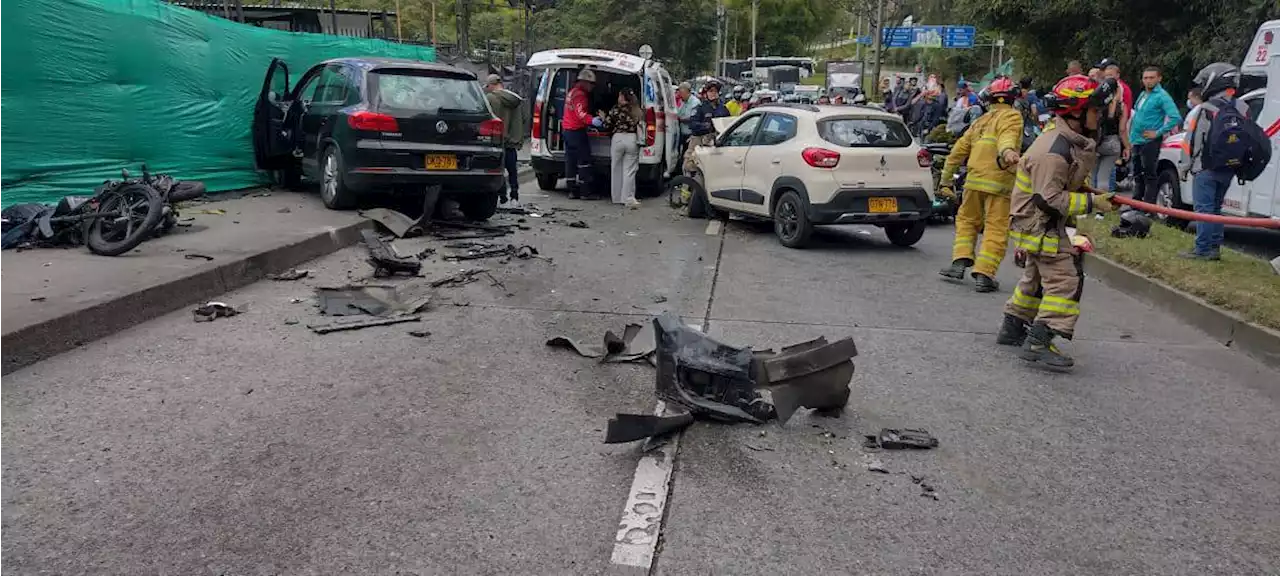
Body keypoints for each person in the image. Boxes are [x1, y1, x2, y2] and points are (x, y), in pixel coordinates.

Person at [998, 74, 1120, 371]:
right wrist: (1094, 203)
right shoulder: (1054, 150)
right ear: (1075, 112)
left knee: (1036, 278)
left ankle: (1014, 326)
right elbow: (1048, 198)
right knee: (1065, 280)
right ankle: (1039, 341)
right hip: (1039, 221)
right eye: (1095, 109)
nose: (1100, 115)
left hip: (1035, 221)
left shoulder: (1068, 141)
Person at [937, 77, 1025, 293]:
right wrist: (1008, 154)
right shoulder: (1013, 117)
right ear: (1013, 99)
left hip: (973, 181)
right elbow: (1007, 139)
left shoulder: (980, 121)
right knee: (996, 228)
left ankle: (960, 261)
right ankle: (985, 274)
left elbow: (957, 152)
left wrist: (946, 180)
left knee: (967, 221)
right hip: (1000, 183)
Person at [1180, 62, 1248, 260]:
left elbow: (1192, 141)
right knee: (1217, 209)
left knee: (1203, 210)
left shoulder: (1206, 109)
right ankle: (1215, 248)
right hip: (1230, 167)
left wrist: (1185, 166)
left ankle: (1202, 250)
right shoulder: (1242, 107)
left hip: (1205, 167)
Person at [1129, 65, 1182, 205]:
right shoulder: (1143, 94)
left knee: (1149, 174)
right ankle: (1136, 203)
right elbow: (1136, 115)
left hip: (1150, 141)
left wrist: (1158, 132)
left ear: (1159, 78)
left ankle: (1148, 207)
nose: (1148, 81)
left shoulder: (1162, 96)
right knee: (1137, 174)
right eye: (1145, 78)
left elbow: (1175, 117)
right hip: (1137, 140)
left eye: (1152, 78)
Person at [484, 74, 529, 208]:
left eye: (488, 86)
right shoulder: (517, 99)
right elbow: (525, 118)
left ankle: (502, 199)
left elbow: (486, 118)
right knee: (512, 170)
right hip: (512, 142)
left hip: (498, 141)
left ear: (492, 85)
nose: (487, 89)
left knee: (498, 170)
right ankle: (514, 198)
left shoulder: (490, 98)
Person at [562, 68, 602, 200]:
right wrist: (592, 120)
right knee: (584, 161)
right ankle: (585, 192)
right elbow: (581, 114)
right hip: (576, 132)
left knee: (570, 161)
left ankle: (572, 190)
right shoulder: (580, 95)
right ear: (585, 82)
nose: (592, 87)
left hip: (567, 130)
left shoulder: (571, 92)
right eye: (591, 84)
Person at [601, 87, 644, 209]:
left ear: (623, 97)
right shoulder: (637, 110)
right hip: (632, 139)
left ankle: (616, 197)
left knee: (616, 168)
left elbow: (606, 125)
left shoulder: (616, 109)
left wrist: (604, 117)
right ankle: (628, 198)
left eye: (619, 95)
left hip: (618, 139)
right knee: (629, 170)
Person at [1092, 77, 1131, 192]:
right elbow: (1122, 130)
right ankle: (1103, 205)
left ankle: (1092, 203)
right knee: (1104, 177)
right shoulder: (1122, 107)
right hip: (1112, 143)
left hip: (1096, 142)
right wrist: (1127, 147)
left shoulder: (1097, 106)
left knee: (1093, 176)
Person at [683, 80, 730, 175]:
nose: (713, 93)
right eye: (711, 91)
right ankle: (688, 187)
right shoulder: (699, 108)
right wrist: (704, 126)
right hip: (699, 140)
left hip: (717, 142)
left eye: (715, 91)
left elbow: (729, 124)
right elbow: (692, 124)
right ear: (705, 94)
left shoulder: (723, 109)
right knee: (689, 166)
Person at [675, 82, 700, 169]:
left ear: (687, 92)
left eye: (681, 93)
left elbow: (692, 119)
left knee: (688, 156)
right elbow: (678, 113)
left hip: (690, 134)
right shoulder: (682, 102)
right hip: (682, 132)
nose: (680, 95)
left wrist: (680, 119)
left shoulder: (695, 102)